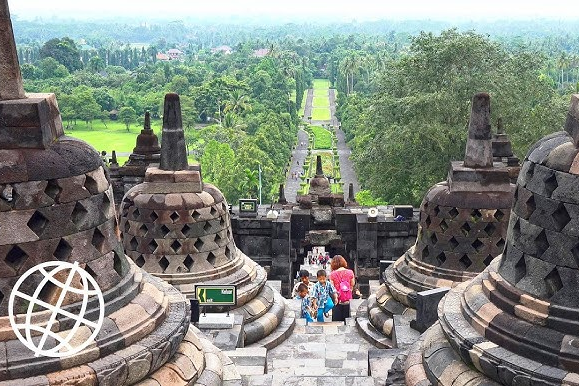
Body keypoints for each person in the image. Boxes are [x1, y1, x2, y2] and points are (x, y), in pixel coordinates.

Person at [329, 255, 355, 322]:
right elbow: (352, 284)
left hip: (337, 300)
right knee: (348, 321)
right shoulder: (350, 272)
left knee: (337, 322)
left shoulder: (332, 274)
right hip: (348, 299)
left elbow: (332, 289)